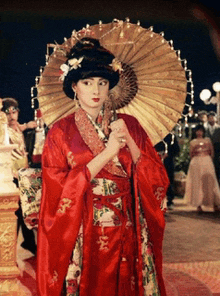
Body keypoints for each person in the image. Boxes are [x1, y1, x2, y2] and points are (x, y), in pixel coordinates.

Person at [37, 38, 169, 296]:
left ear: (110, 87)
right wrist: (108, 151)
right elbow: (56, 189)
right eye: (87, 83)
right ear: (74, 86)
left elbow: (157, 178)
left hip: (128, 227)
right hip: (86, 228)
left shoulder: (129, 124)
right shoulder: (60, 133)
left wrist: (129, 140)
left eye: (102, 82)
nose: (95, 89)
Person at [2, 97, 37, 255]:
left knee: (24, 207)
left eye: (14, 111)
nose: (11, 116)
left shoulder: (16, 127)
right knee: (17, 208)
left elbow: (22, 127)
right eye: (7, 112)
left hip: (22, 171)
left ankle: (25, 241)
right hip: (12, 173)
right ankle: (18, 243)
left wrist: (29, 125)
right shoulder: (4, 130)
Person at [184, 123, 220, 212]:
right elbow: (191, 154)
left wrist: (208, 160)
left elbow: (212, 152)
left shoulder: (207, 140)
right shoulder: (192, 142)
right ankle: (198, 204)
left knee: (210, 181)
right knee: (197, 182)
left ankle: (215, 203)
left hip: (207, 161)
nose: (199, 132)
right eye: (197, 131)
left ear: (203, 132)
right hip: (196, 163)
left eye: (201, 131)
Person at [155, 133, 180, 210]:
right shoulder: (154, 134)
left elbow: (176, 149)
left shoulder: (171, 136)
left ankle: (170, 200)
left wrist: (167, 154)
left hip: (168, 162)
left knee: (168, 180)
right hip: (155, 161)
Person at [205, 111, 220, 182]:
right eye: (210, 118)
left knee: (217, 167)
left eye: (212, 117)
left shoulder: (218, 128)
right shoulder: (205, 128)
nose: (211, 119)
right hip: (207, 151)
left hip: (217, 151)